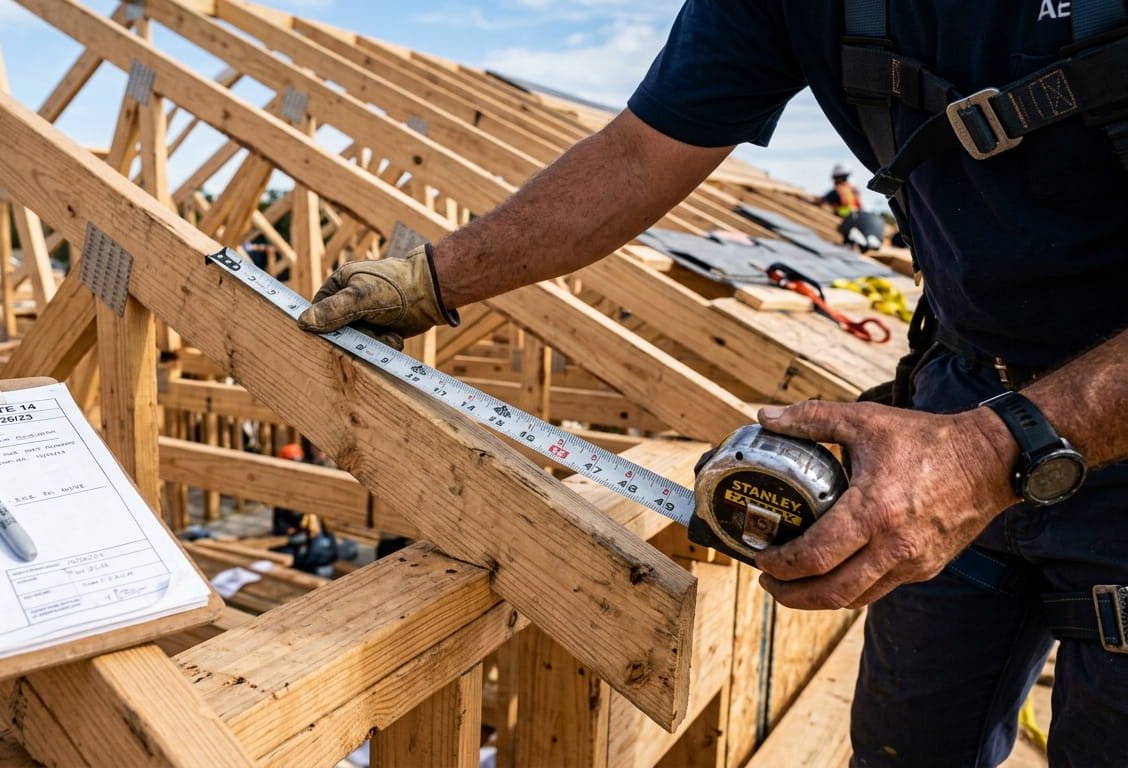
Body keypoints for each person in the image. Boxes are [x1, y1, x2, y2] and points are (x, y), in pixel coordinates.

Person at [296, 2, 1128, 764]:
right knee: (902, 744)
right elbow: (636, 155)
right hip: (953, 402)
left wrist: (986, 452)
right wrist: (431, 280)